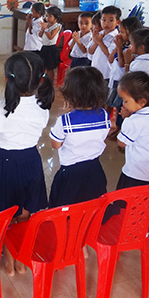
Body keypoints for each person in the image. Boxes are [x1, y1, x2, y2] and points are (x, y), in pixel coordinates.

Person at [0, 51, 54, 276]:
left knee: (4, 213)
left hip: (5, 163)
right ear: (40, 80)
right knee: (25, 213)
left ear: (7, 79)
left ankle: (8, 259)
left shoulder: (0, 109)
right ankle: (21, 258)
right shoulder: (43, 107)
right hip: (31, 162)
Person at [49, 66, 110, 207]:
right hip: (95, 169)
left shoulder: (65, 121)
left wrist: (65, 114)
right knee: (91, 206)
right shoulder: (104, 115)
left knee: (66, 208)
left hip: (71, 174)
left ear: (70, 95)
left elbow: (55, 144)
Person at [116, 72, 149, 188]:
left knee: (127, 205)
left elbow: (122, 143)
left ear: (142, 102)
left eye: (126, 101)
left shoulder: (134, 121)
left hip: (136, 176)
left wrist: (126, 120)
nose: (123, 104)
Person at [106, 17, 143, 137]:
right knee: (117, 106)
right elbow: (111, 59)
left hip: (124, 81)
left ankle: (123, 129)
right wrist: (118, 47)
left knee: (123, 106)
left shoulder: (131, 49)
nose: (120, 34)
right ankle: (118, 127)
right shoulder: (124, 45)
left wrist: (119, 48)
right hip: (117, 79)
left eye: (122, 32)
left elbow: (122, 63)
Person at [89, 6, 121, 82]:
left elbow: (110, 55)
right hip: (94, 71)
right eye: (104, 20)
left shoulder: (116, 38)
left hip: (107, 74)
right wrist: (96, 42)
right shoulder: (99, 34)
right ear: (100, 21)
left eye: (111, 20)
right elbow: (90, 51)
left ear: (118, 22)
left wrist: (100, 42)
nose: (107, 23)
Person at [39, 6, 63, 81]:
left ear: (56, 17)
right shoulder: (47, 25)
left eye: (50, 16)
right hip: (44, 47)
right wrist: (42, 29)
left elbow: (51, 37)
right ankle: (43, 80)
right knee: (43, 66)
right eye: (46, 16)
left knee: (50, 68)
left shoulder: (57, 26)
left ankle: (50, 82)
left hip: (51, 48)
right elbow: (40, 35)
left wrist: (45, 29)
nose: (47, 18)